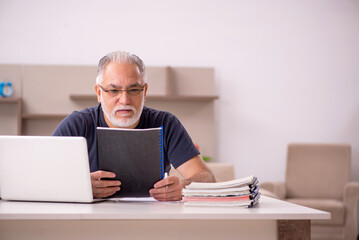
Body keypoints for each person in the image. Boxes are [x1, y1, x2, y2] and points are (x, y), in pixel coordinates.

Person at [53, 50, 216, 201]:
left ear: (144, 92)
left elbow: (206, 178)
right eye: (114, 91)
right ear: (99, 93)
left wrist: (183, 186)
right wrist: (80, 187)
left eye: (133, 90)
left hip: (151, 222)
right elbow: (42, 178)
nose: (124, 100)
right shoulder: (76, 125)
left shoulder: (165, 123)